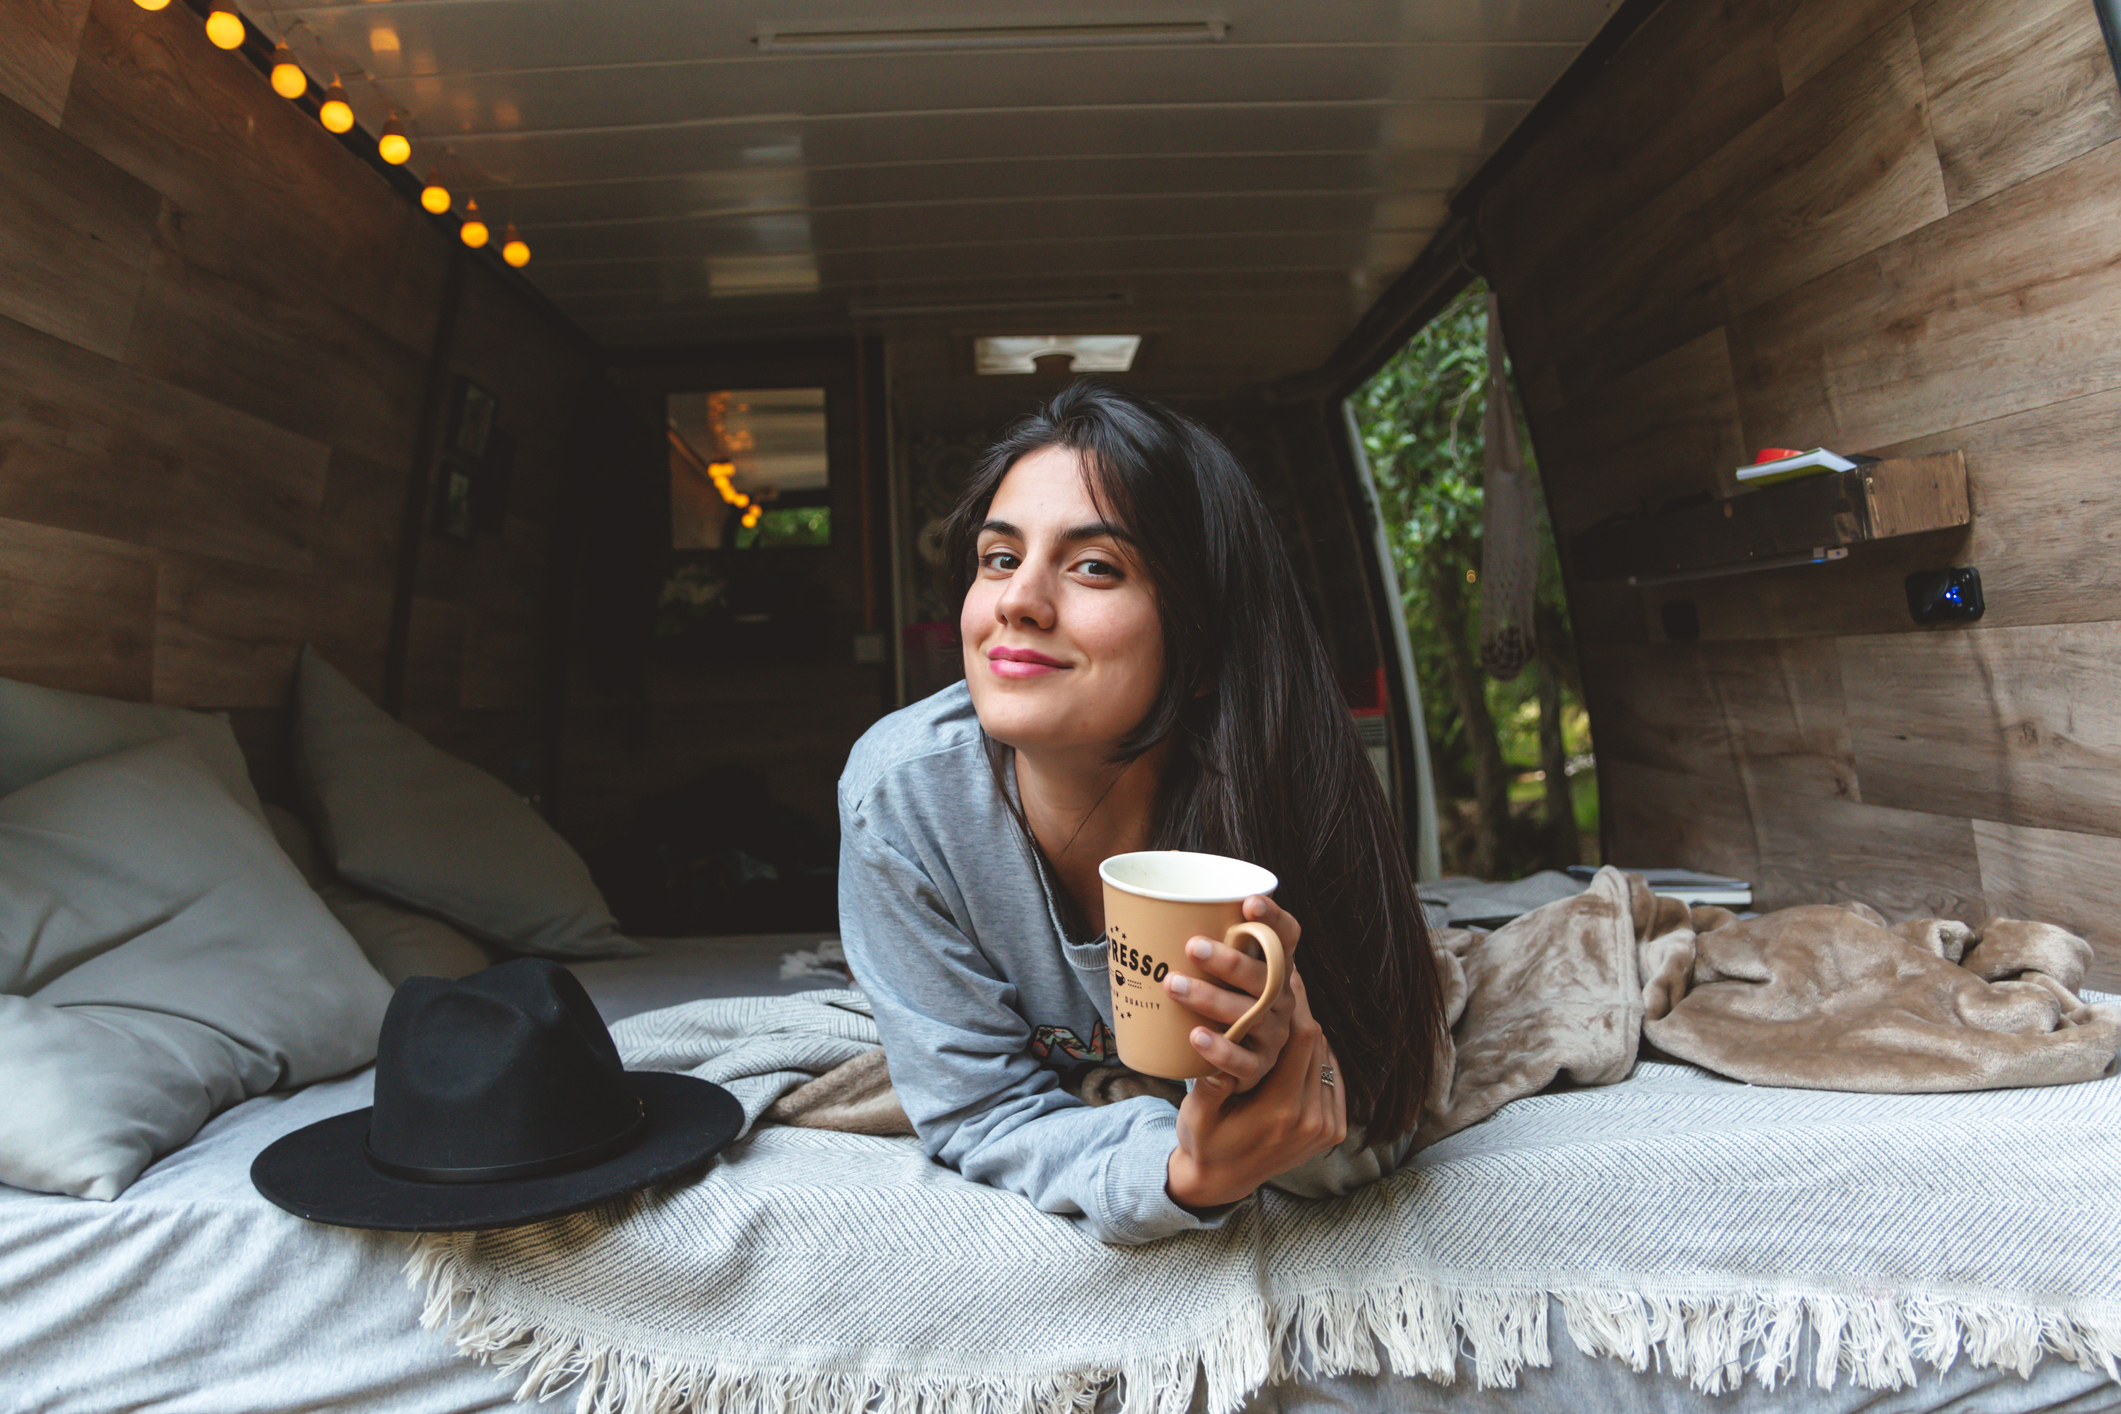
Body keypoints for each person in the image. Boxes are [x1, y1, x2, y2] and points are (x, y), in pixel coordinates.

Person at [838, 383, 1446, 1244]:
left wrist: (1281, 1076)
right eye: (999, 558)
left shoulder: (1289, 788)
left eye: (1094, 566)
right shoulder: (900, 795)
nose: (1018, 600)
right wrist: (1178, 1177)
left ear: (1199, 643)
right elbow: (978, 1114)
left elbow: (1365, 1124)